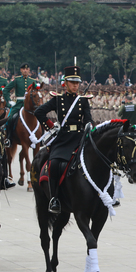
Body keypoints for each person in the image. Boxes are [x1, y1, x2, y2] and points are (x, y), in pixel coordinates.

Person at [34, 66, 92, 214]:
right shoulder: (58, 99)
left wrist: (88, 127)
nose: (75, 86)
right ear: (65, 83)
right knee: (54, 164)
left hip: (79, 137)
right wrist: (50, 125)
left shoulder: (83, 101)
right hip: (63, 138)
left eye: (77, 83)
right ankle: (54, 198)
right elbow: (39, 112)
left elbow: (88, 119)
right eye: (72, 82)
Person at [3, 63, 38, 144]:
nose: (25, 70)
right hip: (18, 104)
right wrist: (9, 102)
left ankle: (41, 137)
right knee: (10, 118)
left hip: (30, 105)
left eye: (27, 69)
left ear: (29, 70)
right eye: (23, 69)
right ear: (21, 70)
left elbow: (36, 92)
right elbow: (5, 90)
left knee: (40, 116)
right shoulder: (16, 80)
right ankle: (9, 138)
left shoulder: (32, 81)